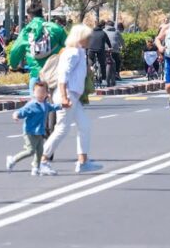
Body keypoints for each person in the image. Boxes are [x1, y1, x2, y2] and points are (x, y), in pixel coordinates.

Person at [41, 24, 101, 174]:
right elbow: (63, 76)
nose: (89, 39)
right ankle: (42, 160)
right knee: (62, 129)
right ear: (80, 37)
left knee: (84, 126)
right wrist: (64, 97)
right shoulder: (72, 53)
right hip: (67, 95)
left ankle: (83, 162)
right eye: (87, 37)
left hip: (73, 96)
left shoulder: (80, 52)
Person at [9, 5, 67, 95]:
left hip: (36, 73)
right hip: (54, 73)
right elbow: (68, 45)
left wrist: (13, 64)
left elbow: (15, 50)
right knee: (53, 104)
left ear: (29, 16)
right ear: (42, 14)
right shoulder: (55, 28)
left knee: (37, 104)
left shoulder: (26, 31)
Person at [7, 81, 58, 175]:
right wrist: (16, 114)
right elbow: (22, 111)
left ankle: (36, 168)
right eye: (38, 92)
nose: (40, 94)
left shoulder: (45, 105)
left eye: (43, 92)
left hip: (39, 131)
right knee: (30, 151)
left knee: (39, 151)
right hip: (29, 132)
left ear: (47, 93)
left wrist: (62, 106)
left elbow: (52, 107)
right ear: (34, 92)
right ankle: (13, 160)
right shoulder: (32, 105)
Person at [87, 20, 111, 85]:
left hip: (91, 49)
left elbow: (87, 40)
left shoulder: (90, 32)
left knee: (90, 63)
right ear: (102, 26)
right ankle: (103, 80)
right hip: (100, 50)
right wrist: (110, 47)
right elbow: (108, 42)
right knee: (102, 64)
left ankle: (89, 76)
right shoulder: (103, 33)